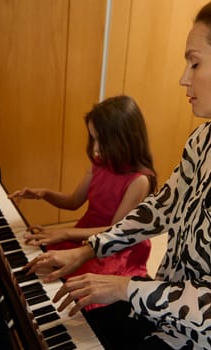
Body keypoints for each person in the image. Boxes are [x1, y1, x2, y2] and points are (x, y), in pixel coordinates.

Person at [23, 1, 211, 349]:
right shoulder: (207, 137)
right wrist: (88, 249)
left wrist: (123, 287)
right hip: (169, 314)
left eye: (195, 63)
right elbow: (161, 208)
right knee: (51, 324)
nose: (184, 78)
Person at [9, 95, 157, 310]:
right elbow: (73, 201)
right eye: (93, 138)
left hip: (114, 246)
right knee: (39, 259)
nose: (95, 148)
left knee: (83, 296)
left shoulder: (140, 180)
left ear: (125, 138)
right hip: (87, 233)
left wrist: (66, 232)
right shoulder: (99, 164)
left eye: (101, 140)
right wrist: (45, 194)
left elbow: (115, 231)